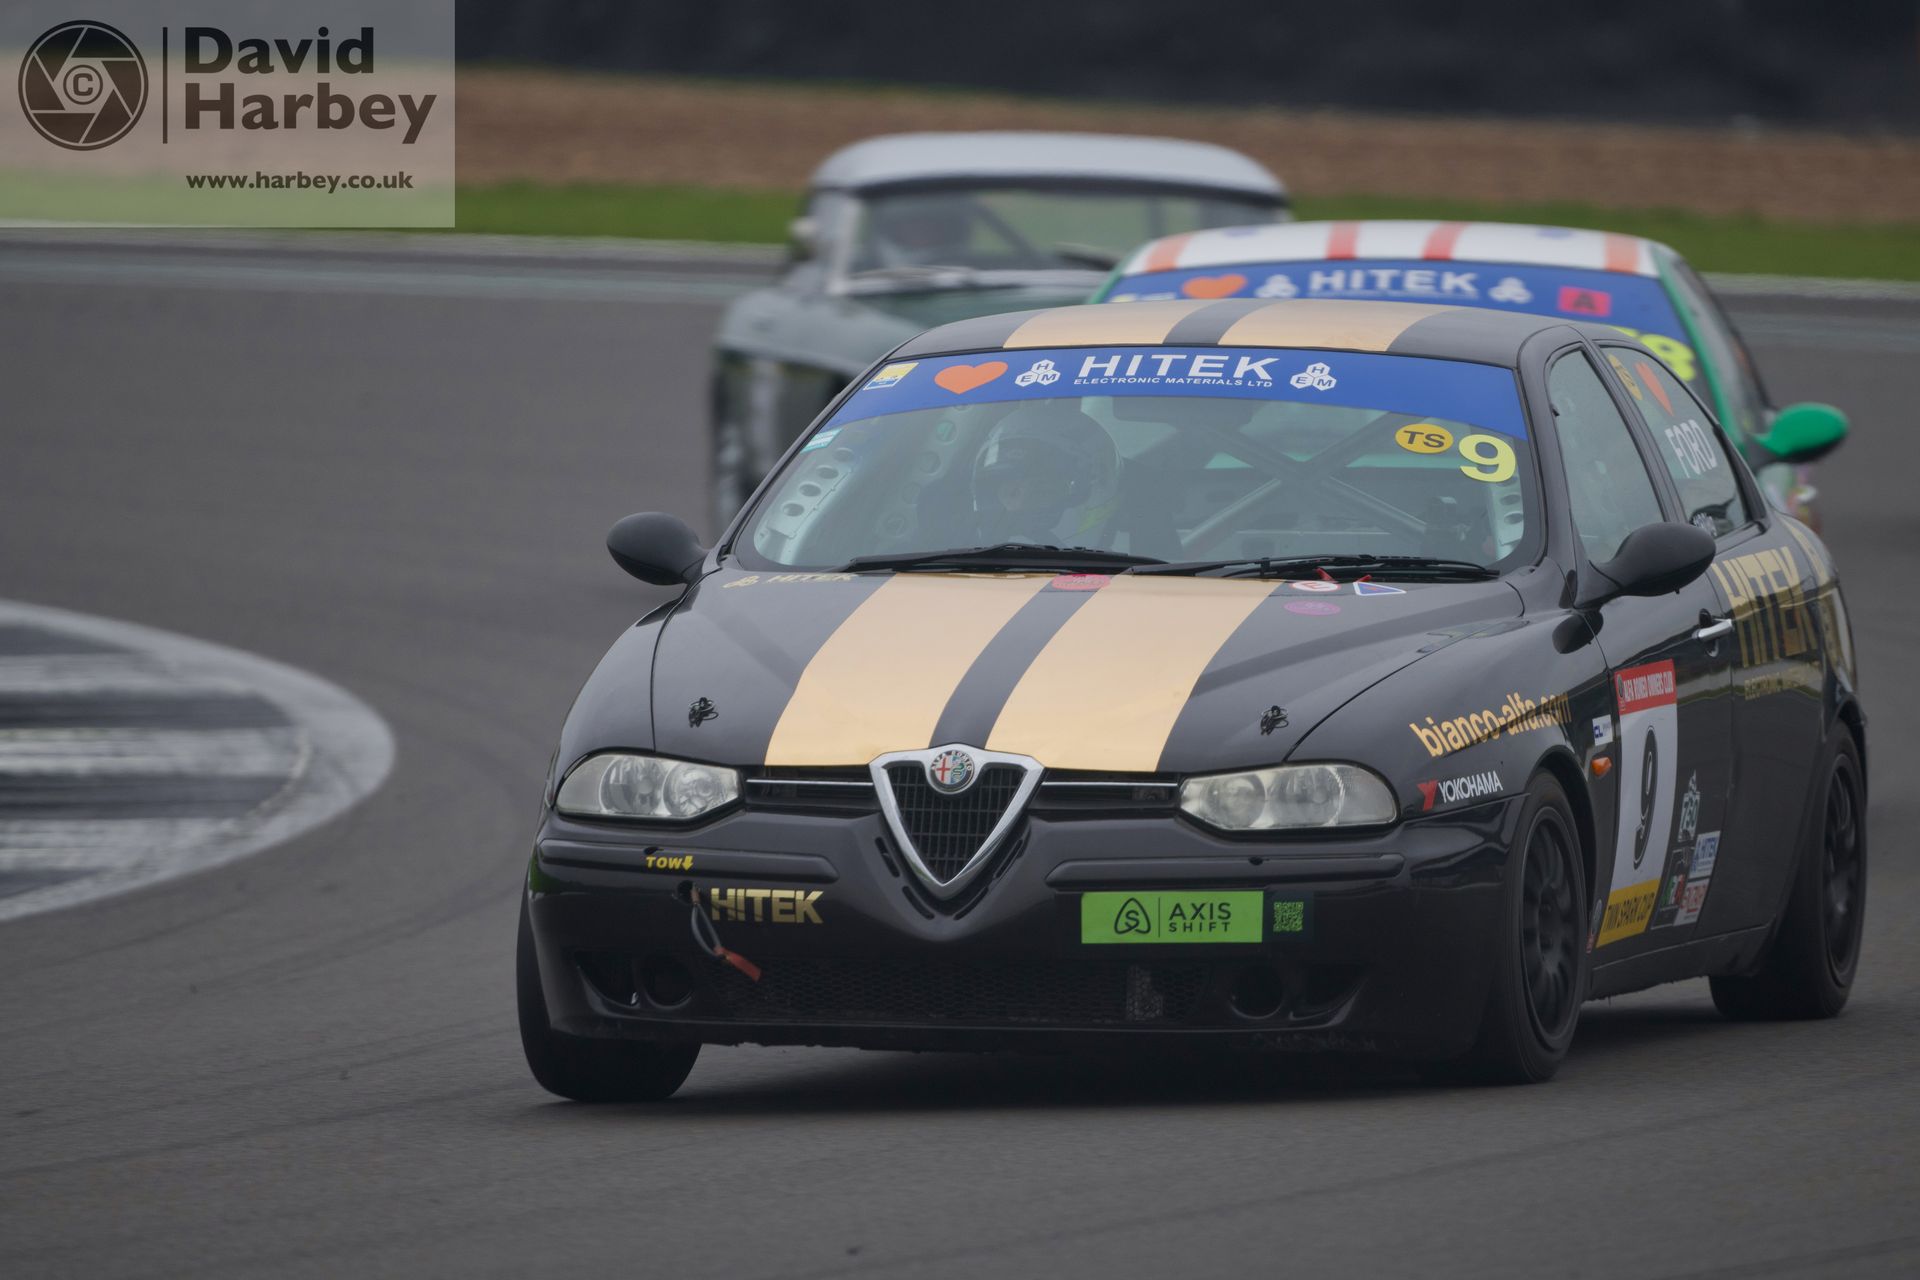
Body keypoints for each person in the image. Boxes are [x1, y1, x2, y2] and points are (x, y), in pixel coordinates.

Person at [970, 402, 1120, 545]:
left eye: (1041, 492)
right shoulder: (955, 547)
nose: (1018, 507)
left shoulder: (1127, 566)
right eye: (1012, 493)